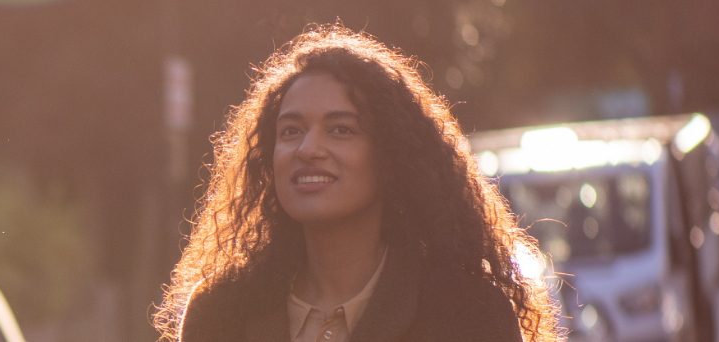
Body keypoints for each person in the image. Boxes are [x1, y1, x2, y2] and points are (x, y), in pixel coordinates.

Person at [153, 25, 561, 342]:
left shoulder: (468, 314)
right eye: (291, 131)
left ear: (389, 157)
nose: (308, 148)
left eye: (341, 130)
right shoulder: (220, 314)